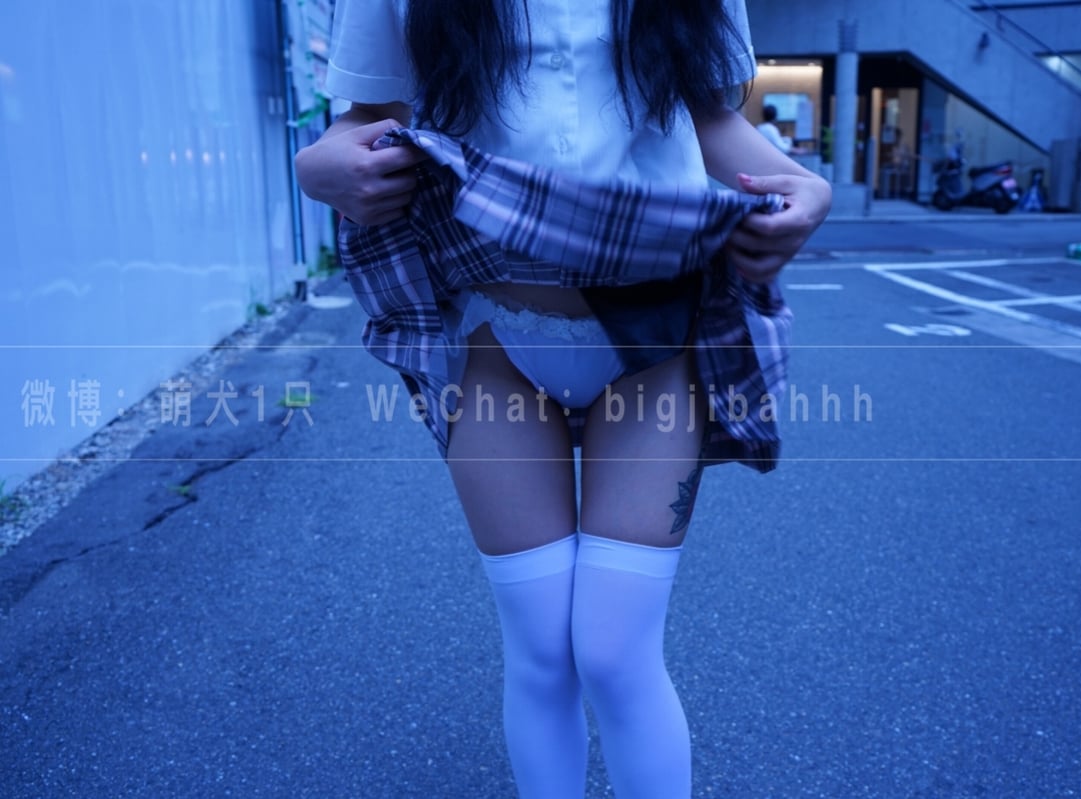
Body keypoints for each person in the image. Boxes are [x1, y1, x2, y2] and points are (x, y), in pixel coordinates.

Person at [294, 1, 831, 797]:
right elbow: (370, 114)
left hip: (653, 335)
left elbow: (709, 114)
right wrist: (317, 166)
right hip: (493, 334)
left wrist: (804, 186)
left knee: (613, 651)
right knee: (541, 649)